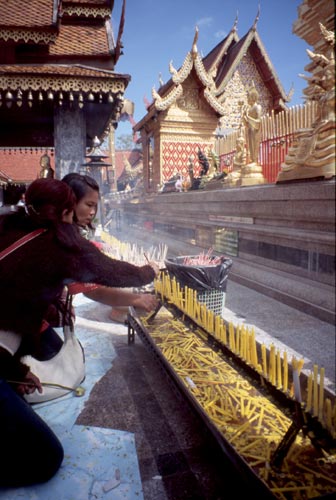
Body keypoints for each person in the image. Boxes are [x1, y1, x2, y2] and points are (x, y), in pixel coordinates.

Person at [0, 178, 159, 487]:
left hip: (7, 343)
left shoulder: (10, 225)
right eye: (86, 206)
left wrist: (16, 371)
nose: (89, 214)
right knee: (46, 458)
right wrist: (146, 272)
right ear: (65, 210)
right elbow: (104, 271)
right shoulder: (56, 244)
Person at [62, 173, 158, 323]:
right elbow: (97, 287)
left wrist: (96, 246)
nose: (93, 212)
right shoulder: (64, 240)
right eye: (88, 205)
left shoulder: (60, 231)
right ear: (70, 203)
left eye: (95, 206)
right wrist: (143, 280)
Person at [242, 84, 262, 164]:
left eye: (248, 97)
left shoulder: (258, 107)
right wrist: (244, 117)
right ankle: (252, 160)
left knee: (254, 147)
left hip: (255, 130)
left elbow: (258, 122)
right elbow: (247, 124)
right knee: (250, 147)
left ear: (253, 97)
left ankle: (254, 160)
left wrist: (248, 117)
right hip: (250, 130)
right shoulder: (250, 109)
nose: (247, 99)